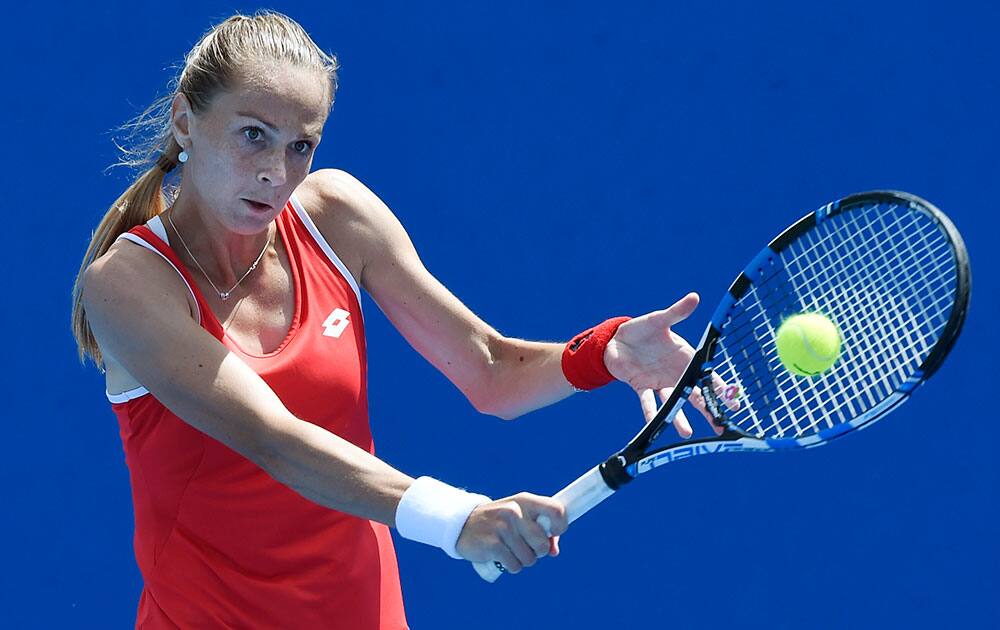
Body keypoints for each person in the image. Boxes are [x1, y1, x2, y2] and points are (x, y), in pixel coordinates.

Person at [71, 10, 719, 629]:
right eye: (252, 135)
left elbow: (491, 369)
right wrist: (455, 517)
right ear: (185, 121)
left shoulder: (336, 217)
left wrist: (604, 354)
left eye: (301, 146)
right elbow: (272, 438)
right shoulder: (126, 285)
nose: (276, 172)